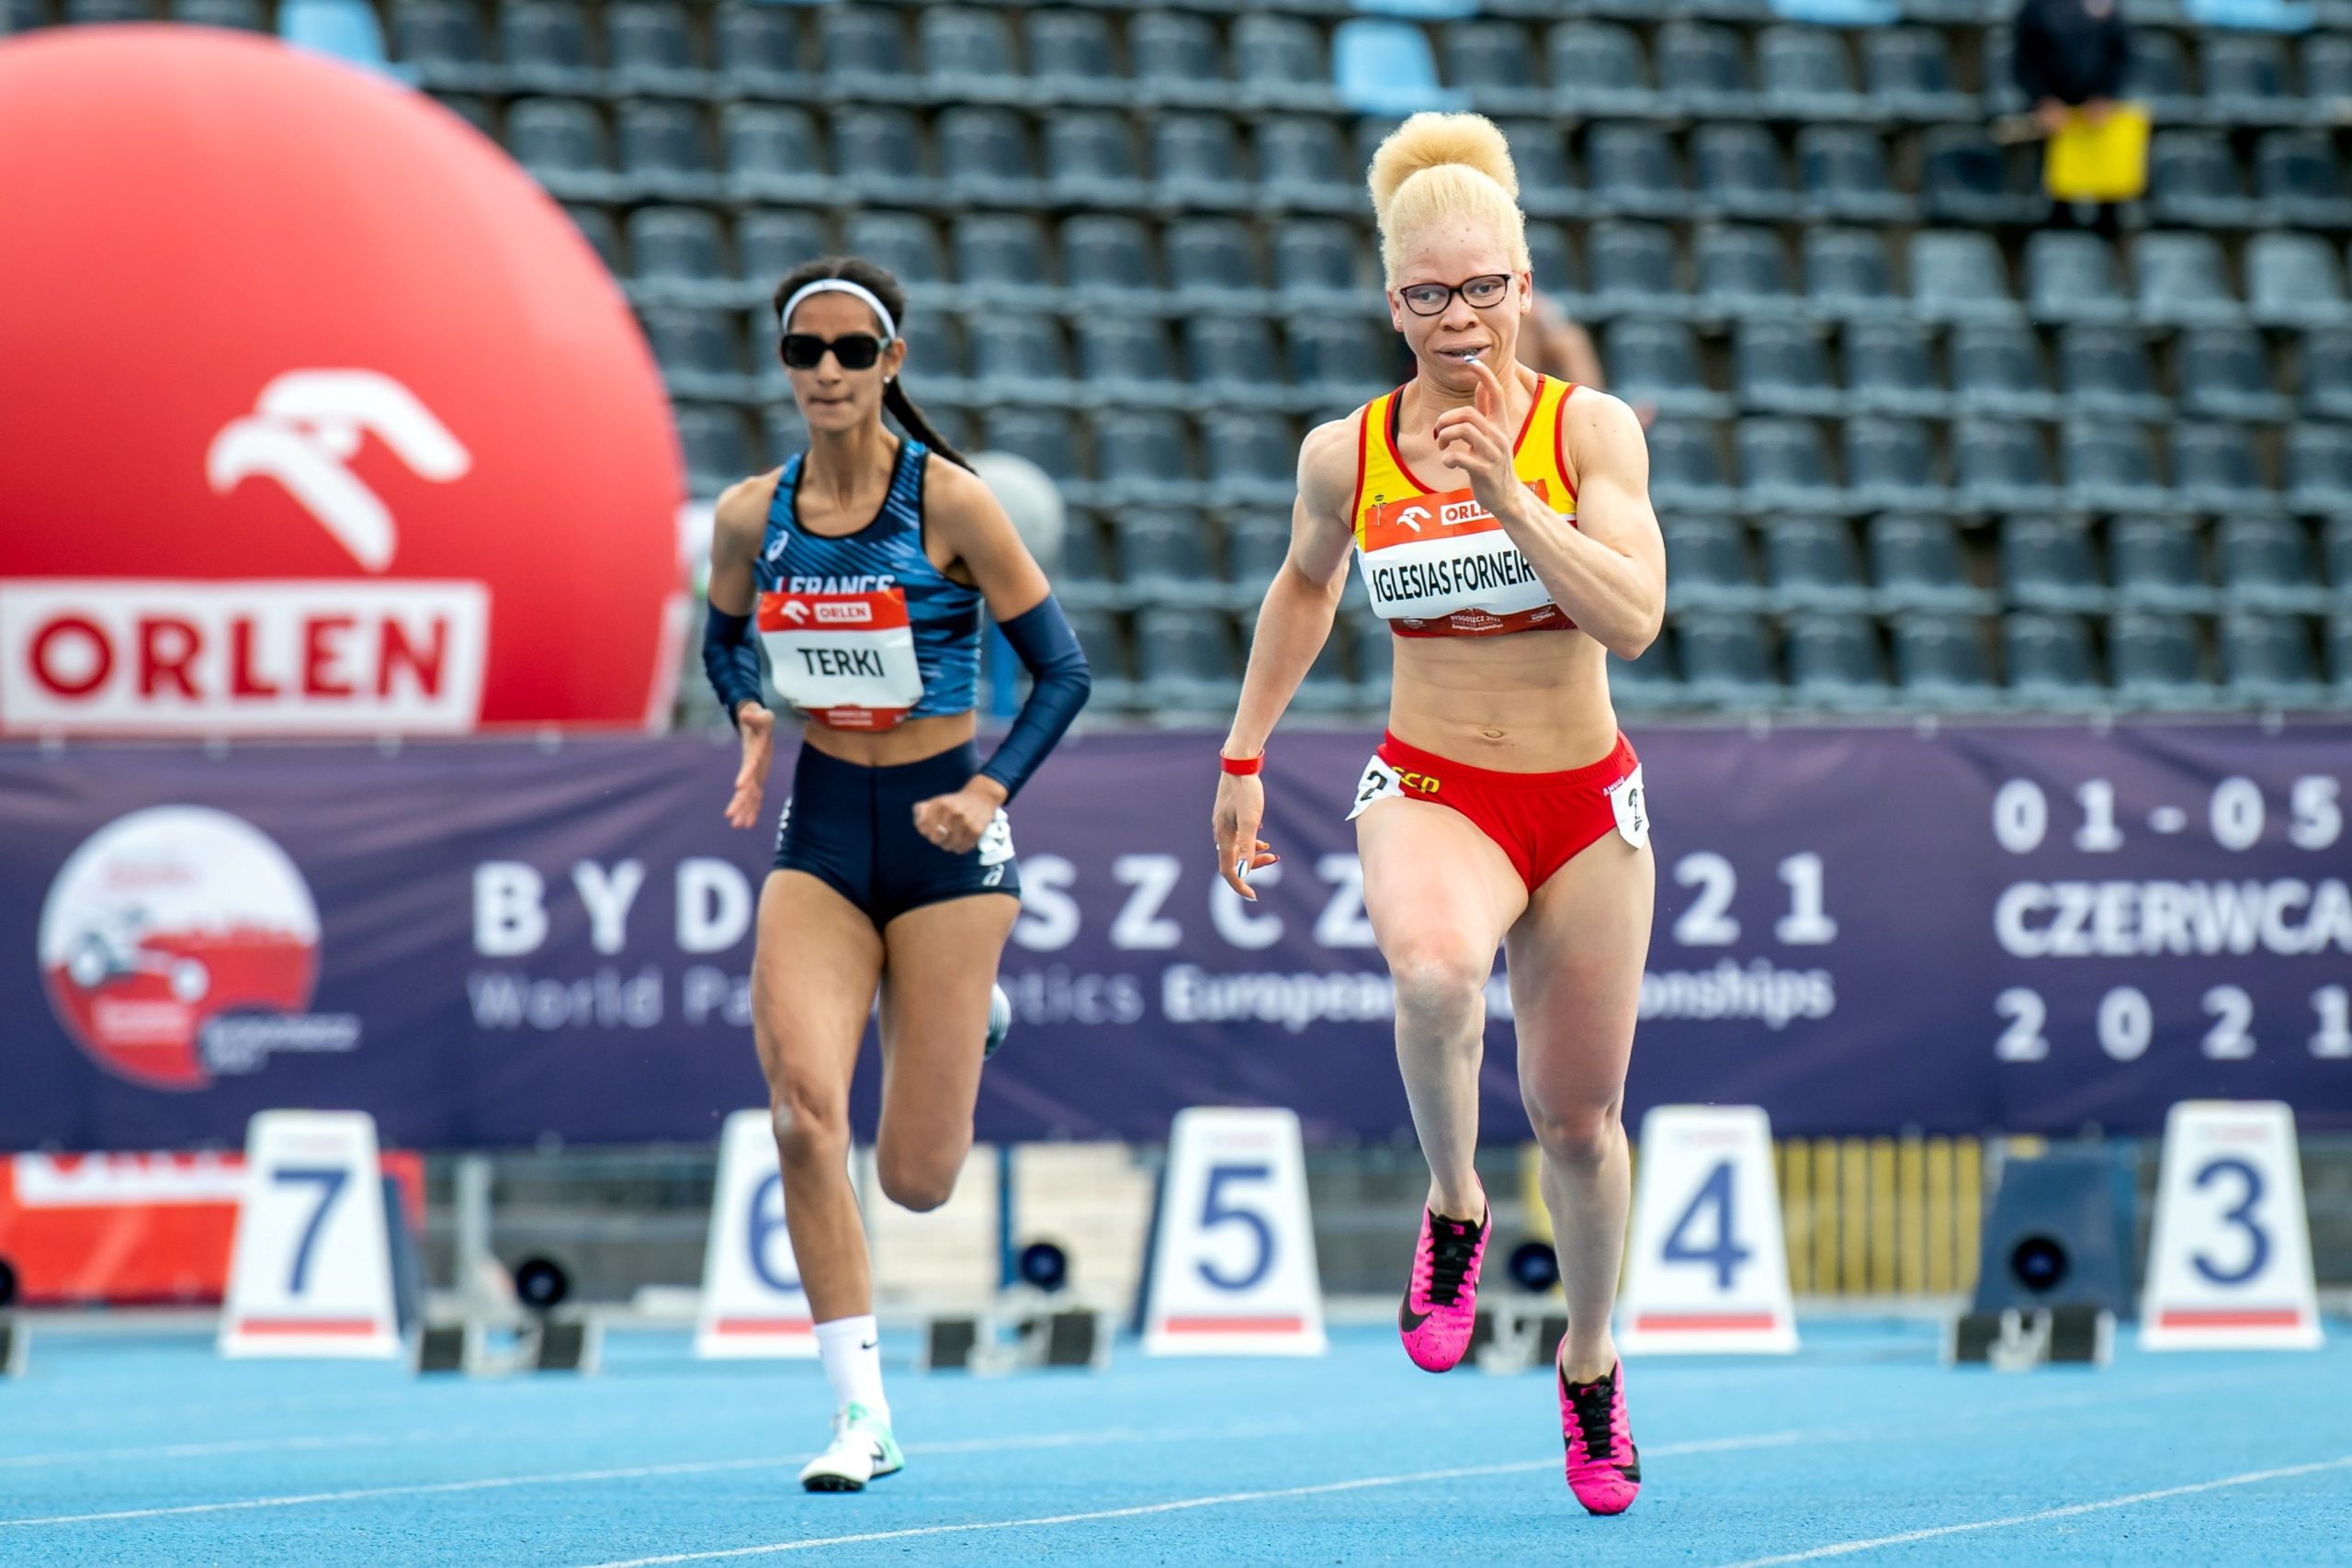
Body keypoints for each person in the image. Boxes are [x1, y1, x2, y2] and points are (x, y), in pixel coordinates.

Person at [1211, 113, 1666, 1517]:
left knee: (1582, 1123)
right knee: (1429, 971)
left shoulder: (1585, 429)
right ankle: (1456, 1201)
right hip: (1435, 784)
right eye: (1427, 295)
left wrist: (1515, 505)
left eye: (1481, 290)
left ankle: (1589, 1368)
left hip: (1582, 803)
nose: (1457, 319)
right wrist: (1243, 754)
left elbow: (1636, 618)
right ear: (1390, 301)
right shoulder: (1346, 453)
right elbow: (1303, 585)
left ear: (1524, 289)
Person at [701, 257, 1090, 1492]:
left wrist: (986, 792)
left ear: (890, 365)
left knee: (917, 1181)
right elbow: (723, 637)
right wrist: (747, 711)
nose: (825, 372)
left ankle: (971, 1015)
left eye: (849, 353)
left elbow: (1064, 672)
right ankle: (860, 1415)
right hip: (821, 832)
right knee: (803, 1116)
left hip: (945, 842)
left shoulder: (957, 506)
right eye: (802, 353)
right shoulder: (747, 516)